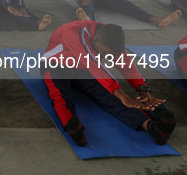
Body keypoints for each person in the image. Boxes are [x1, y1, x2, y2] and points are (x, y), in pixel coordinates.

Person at [42, 21, 176, 147]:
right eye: (105, 53)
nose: (106, 57)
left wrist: (142, 87)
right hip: (54, 65)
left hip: (82, 69)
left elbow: (126, 65)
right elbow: (95, 66)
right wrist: (122, 94)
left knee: (113, 97)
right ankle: (71, 125)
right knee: (60, 96)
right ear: (96, 41)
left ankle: (152, 127)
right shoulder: (74, 33)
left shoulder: (111, 37)